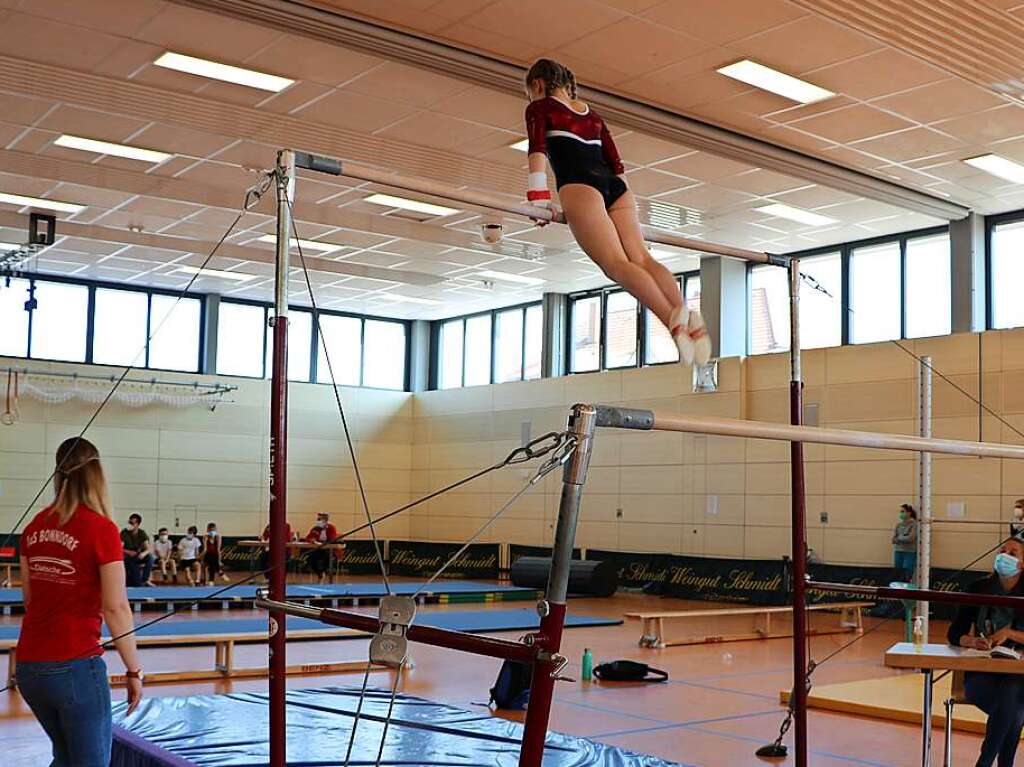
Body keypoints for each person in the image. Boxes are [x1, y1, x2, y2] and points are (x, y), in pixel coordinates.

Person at [523, 58, 711, 366]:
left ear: (537, 85)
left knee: (616, 264)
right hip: (617, 188)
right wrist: (622, 208)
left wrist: (538, 197)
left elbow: (537, 149)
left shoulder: (540, 108)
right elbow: (617, 165)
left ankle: (671, 322)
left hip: (580, 186)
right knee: (643, 258)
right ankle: (686, 313)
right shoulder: (593, 116)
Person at [16, 437, 142, 766]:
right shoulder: (101, 529)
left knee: (67, 758)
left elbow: (29, 600)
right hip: (74, 666)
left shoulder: (33, 528)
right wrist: (134, 670)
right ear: (97, 475)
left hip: (29, 666)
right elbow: (115, 608)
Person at [947, 537, 1024, 767]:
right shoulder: (978, 588)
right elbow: (954, 633)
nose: (1005, 555)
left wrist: (1010, 634)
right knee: (1014, 711)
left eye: (1013, 552)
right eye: (1002, 550)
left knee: (1012, 692)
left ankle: (984, 762)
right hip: (983, 672)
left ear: (1022, 563)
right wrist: (971, 641)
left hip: (1019, 674)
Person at [120, 513, 153, 587]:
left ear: (138, 524)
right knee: (137, 582)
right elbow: (119, 548)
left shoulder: (142, 533)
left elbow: (148, 548)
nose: (130, 524)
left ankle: (145, 579)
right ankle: (138, 582)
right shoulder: (124, 533)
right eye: (129, 522)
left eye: (132, 523)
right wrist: (128, 552)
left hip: (138, 556)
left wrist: (143, 553)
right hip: (128, 558)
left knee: (150, 558)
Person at [305, 513, 339, 584]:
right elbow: (308, 537)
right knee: (310, 559)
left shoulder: (331, 528)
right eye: (317, 519)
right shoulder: (315, 528)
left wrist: (324, 542)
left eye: (319, 519)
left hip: (329, 550)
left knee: (329, 558)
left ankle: (324, 573)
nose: (317, 521)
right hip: (318, 549)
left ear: (325, 520)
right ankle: (320, 573)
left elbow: (332, 539)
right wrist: (311, 540)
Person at [892, 503, 918, 581]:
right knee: (898, 572)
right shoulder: (898, 525)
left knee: (907, 573)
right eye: (900, 512)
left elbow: (910, 538)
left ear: (909, 513)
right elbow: (894, 539)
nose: (901, 513)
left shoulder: (914, 525)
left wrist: (899, 538)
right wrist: (901, 538)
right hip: (898, 551)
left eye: (903, 511)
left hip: (909, 552)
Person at [202, 522, 227, 586]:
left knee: (212, 563)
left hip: (215, 554)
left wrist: (219, 560)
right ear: (207, 530)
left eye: (213, 530)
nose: (212, 531)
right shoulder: (205, 536)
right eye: (210, 530)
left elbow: (218, 549)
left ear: (215, 530)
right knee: (207, 564)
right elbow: (205, 549)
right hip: (207, 554)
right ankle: (219, 573)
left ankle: (211, 580)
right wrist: (201, 557)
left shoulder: (218, 536)